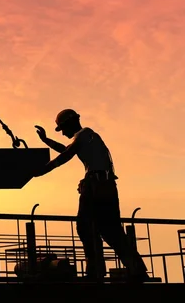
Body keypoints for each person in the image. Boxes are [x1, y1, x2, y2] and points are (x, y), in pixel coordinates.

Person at [33, 109, 149, 282]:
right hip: (107, 186)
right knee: (111, 230)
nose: (63, 133)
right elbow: (68, 149)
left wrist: (42, 171)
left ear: (70, 123)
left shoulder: (83, 135)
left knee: (86, 227)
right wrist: (46, 140)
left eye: (63, 129)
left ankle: (95, 271)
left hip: (95, 187)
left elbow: (65, 155)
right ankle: (136, 269)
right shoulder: (87, 138)